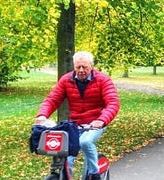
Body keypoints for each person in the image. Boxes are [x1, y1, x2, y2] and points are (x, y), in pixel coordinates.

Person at [34, 51, 120, 180]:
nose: (81, 70)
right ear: (74, 66)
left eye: (84, 67)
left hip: (95, 123)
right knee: (65, 155)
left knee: (85, 141)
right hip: (75, 124)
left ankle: (94, 174)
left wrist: (102, 120)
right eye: (78, 67)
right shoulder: (66, 80)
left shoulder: (103, 80)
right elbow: (52, 99)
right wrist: (42, 115)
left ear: (91, 66)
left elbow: (113, 103)